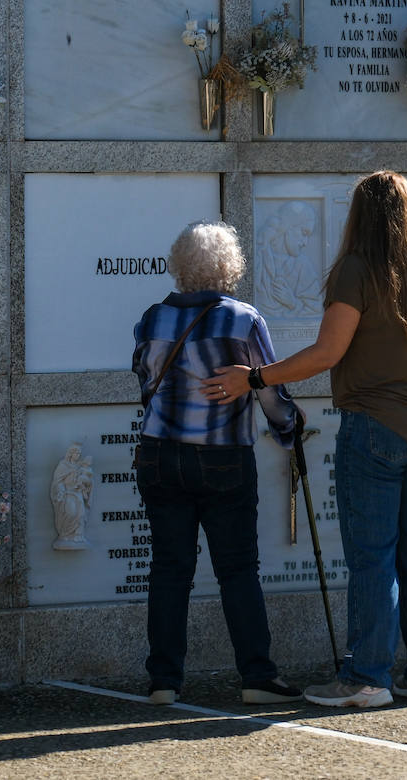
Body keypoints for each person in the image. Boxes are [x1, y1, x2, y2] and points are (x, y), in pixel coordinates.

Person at [206, 171, 407, 708]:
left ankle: (367, 678)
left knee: (373, 557)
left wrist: (254, 378)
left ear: (360, 217)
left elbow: (326, 354)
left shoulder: (357, 270)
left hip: (372, 429)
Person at [131, 221, 304, 707]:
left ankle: (163, 680)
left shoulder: (152, 318)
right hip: (223, 457)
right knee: (237, 569)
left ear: (179, 266)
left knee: (168, 567)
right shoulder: (243, 319)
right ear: (230, 267)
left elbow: (144, 381)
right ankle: (256, 676)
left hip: (160, 454)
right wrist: (288, 429)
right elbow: (268, 391)